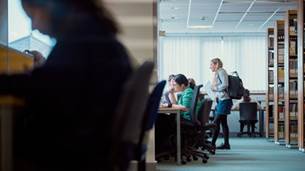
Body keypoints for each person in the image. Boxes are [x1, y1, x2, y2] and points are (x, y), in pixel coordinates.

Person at [0, 0, 132, 170]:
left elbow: (42, 85)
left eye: (33, 16)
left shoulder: (80, 37)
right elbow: (55, 80)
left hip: (78, 148)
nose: (33, 26)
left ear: (51, 7)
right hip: (96, 142)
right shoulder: (96, 33)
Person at [209, 58, 233, 150]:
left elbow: (225, 84)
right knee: (223, 123)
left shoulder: (221, 71)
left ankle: (212, 144)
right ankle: (226, 144)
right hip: (221, 100)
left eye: (211, 65)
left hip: (225, 100)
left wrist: (215, 89)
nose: (210, 67)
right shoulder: (217, 73)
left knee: (215, 122)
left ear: (216, 64)